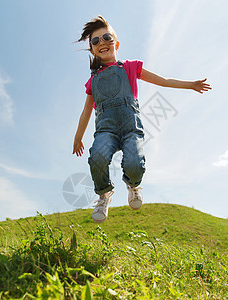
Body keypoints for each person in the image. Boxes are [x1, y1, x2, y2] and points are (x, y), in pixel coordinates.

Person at [73, 16, 211, 223]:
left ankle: (133, 185)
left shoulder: (130, 67)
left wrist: (190, 84)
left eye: (106, 37)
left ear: (116, 43)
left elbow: (163, 80)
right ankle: (104, 195)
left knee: (135, 165)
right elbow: (86, 112)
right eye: (95, 41)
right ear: (92, 49)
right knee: (97, 158)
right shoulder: (92, 81)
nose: (101, 42)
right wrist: (78, 138)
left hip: (130, 129)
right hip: (105, 131)